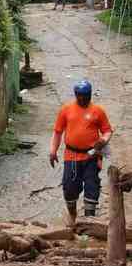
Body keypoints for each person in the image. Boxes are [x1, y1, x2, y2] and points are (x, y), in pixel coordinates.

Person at [50, 80, 113, 221]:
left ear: (90, 95)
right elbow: (57, 132)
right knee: (69, 187)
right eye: (80, 95)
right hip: (71, 155)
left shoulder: (98, 111)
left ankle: (89, 222)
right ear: (75, 94)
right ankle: (72, 215)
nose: (83, 98)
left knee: (92, 187)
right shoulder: (66, 110)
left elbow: (107, 131)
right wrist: (53, 151)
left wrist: (103, 140)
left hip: (92, 156)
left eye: (86, 95)